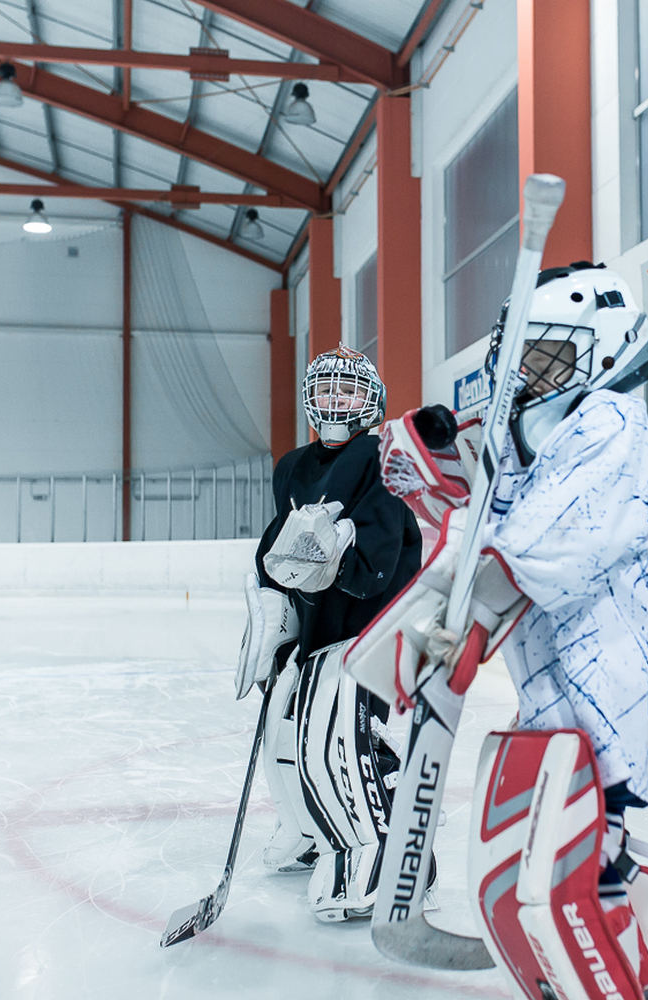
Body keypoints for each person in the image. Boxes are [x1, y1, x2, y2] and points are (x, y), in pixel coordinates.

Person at [367, 263, 648, 999]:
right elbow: (488, 518)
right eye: (522, 355)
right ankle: (598, 957)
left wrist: (470, 619)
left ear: (607, 349)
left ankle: (618, 978)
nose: (529, 374)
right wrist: (434, 470)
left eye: (548, 356)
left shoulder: (613, 427)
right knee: (545, 857)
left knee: (573, 868)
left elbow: (545, 544)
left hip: (609, 683)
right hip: (553, 685)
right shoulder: (538, 437)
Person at [238, 344, 424, 923]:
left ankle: (378, 853)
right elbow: (278, 548)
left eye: (349, 389)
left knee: (334, 743)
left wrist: (339, 562)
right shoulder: (293, 466)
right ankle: (308, 827)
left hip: (367, 630)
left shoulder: (380, 456)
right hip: (315, 630)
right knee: (283, 737)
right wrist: (274, 612)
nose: (336, 398)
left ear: (371, 400)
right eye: (326, 388)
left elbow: (380, 560)